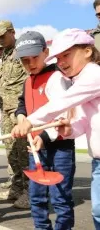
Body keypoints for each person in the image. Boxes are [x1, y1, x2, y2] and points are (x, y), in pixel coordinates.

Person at [12, 28, 100, 229]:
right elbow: (82, 121)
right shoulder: (76, 79)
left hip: (59, 149)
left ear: (87, 51)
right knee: (98, 211)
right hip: (95, 159)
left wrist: (31, 123)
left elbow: (62, 103)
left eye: (66, 55)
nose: (61, 62)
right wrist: (70, 130)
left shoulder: (93, 75)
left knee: (63, 198)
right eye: (58, 58)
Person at [14, 31, 76, 229]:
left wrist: (44, 135)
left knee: (61, 198)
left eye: (35, 58)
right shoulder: (27, 81)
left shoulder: (57, 77)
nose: (30, 64)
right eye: (25, 60)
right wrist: (20, 116)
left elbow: (65, 114)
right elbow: (22, 104)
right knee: (37, 197)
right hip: (36, 149)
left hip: (60, 147)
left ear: (46, 52)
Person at [0, 20, 29, 208]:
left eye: (2, 36)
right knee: (11, 151)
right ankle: (17, 187)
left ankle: (30, 192)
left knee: (24, 151)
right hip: (6, 109)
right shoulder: (5, 55)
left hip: (19, 109)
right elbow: (1, 86)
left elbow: (30, 77)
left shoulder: (23, 49)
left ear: (13, 32)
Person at [0, 41, 15, 190]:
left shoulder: (15, 62)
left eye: (0, 49)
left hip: (16, 110)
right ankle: (13, 178)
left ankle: (22, 183)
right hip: (4, 111)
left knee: (20, 146)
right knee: (8, 145)